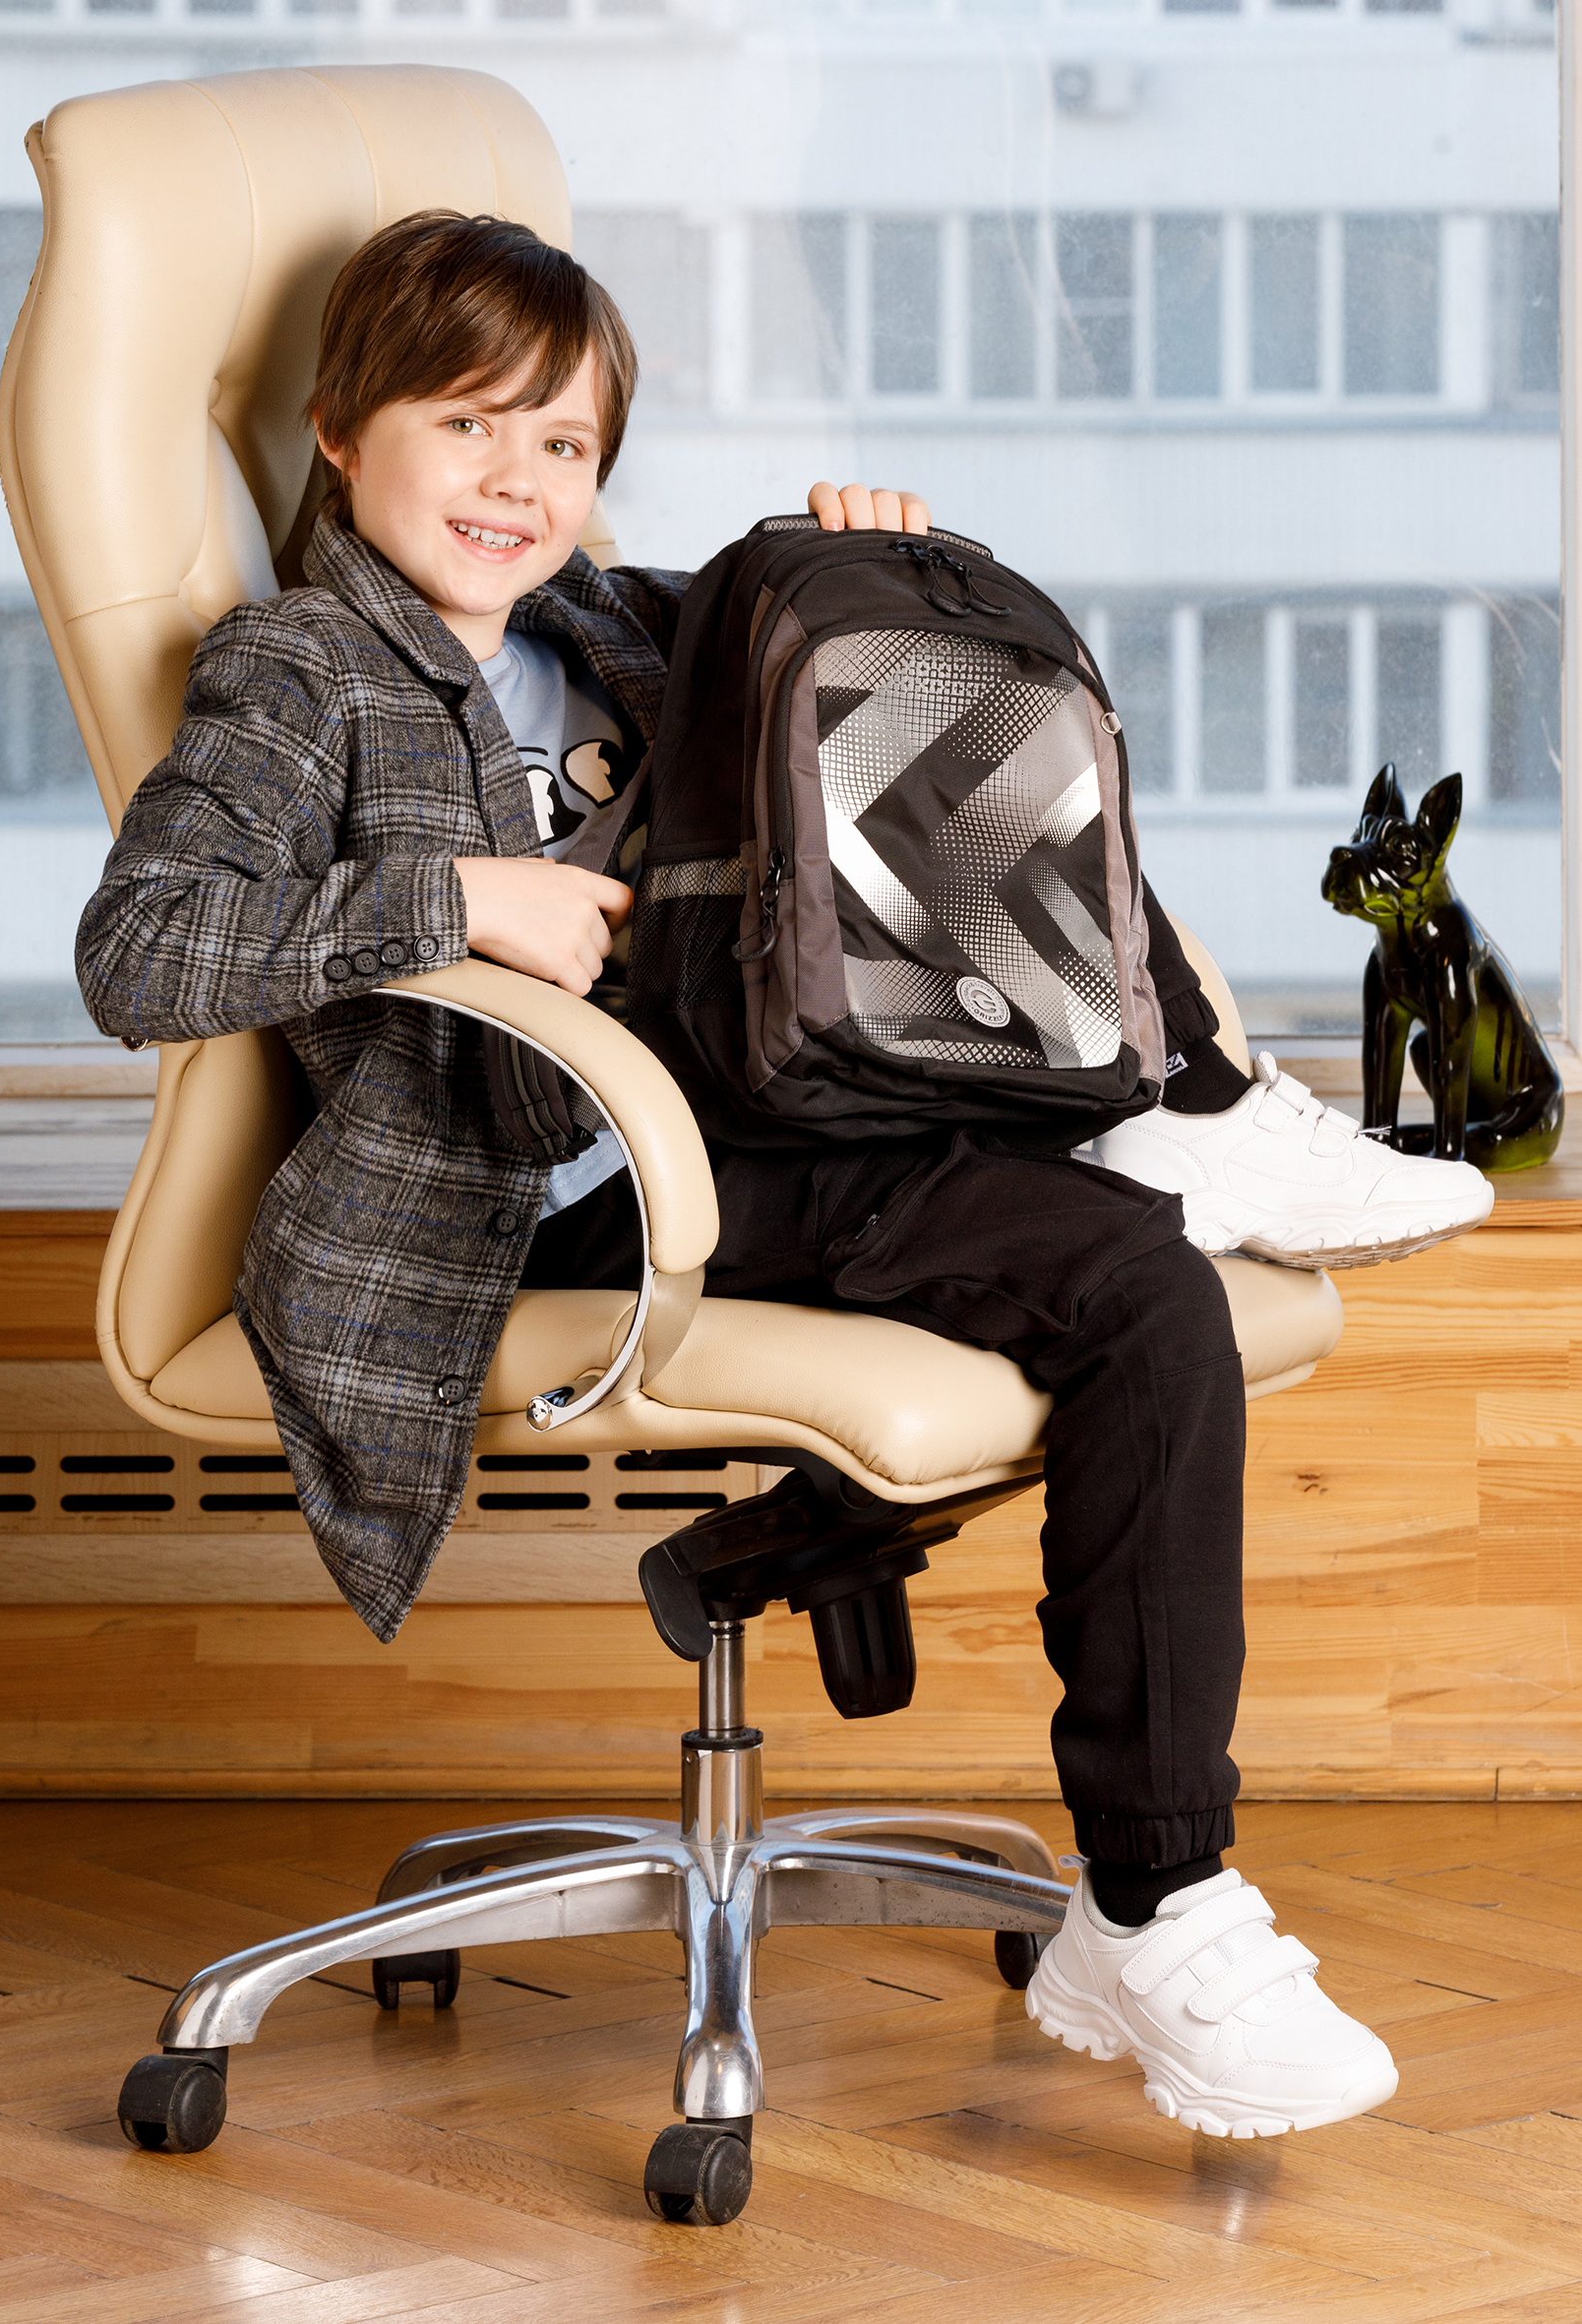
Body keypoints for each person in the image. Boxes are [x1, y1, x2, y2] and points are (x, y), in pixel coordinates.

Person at [76, 210, 1491, 2142]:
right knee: (1138, 1291)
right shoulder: (298, 669)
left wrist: (868, 563)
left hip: (750, 1126)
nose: (515, 481)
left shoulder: (606, 622)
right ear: (338, 429)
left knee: (939, 696)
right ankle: (1155, 1898)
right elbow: (140, 950)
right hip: (535, 1201)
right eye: (465, 424)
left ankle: (1179, 1111)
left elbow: (844, 694)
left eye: (561, 443)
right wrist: (457, 898)